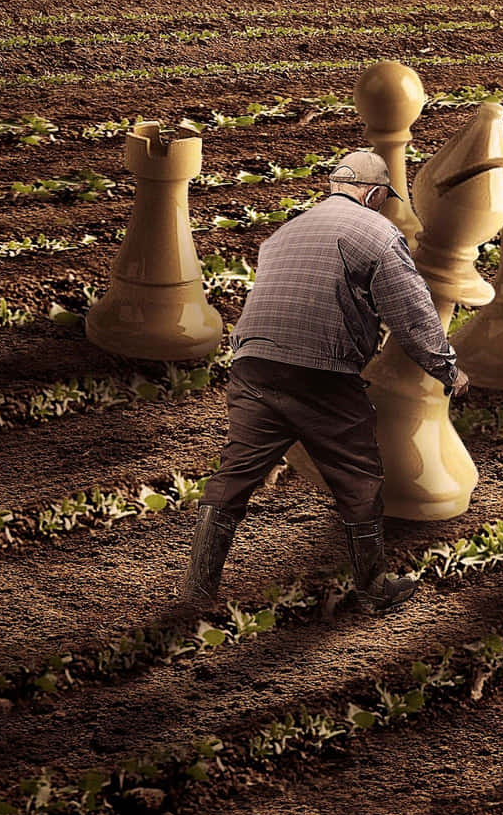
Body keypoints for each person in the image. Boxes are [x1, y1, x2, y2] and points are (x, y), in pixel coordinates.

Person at [179, 151, 470, 616]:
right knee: (359, 477)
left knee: (235, 475)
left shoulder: (283, 232)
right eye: (381, 198)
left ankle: (197, 589)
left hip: (253, 366)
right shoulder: (377, 233)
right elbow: (412, 312)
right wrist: (447, 370)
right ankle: (375, 585)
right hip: (320, 373)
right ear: (373, 193)